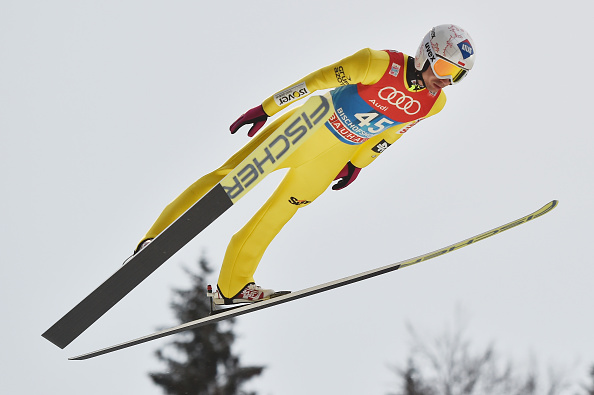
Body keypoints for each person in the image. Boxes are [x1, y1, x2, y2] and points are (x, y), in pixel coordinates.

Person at [133, 24, 476, 305]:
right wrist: (267, 108)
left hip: (335, 154)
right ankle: (156, 237)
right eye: (445, 68)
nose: (446, 80)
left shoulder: (434, 104)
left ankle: (231, 287)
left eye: (456, 76)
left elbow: (391, 134)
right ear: (425, 54)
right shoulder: (377, 63)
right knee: (231, 180)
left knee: (276, 216)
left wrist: (357, 164)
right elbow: (315, 81)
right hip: (310, 126)